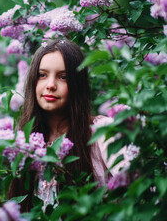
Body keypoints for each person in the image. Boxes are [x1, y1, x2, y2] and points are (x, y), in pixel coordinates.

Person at [7, 39, 126, 212]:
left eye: (63, 77)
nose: (50, 85)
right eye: (42, 75)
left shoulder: (101, 132)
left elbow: (139, 188)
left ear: (77, 84)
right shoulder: (26, 142)